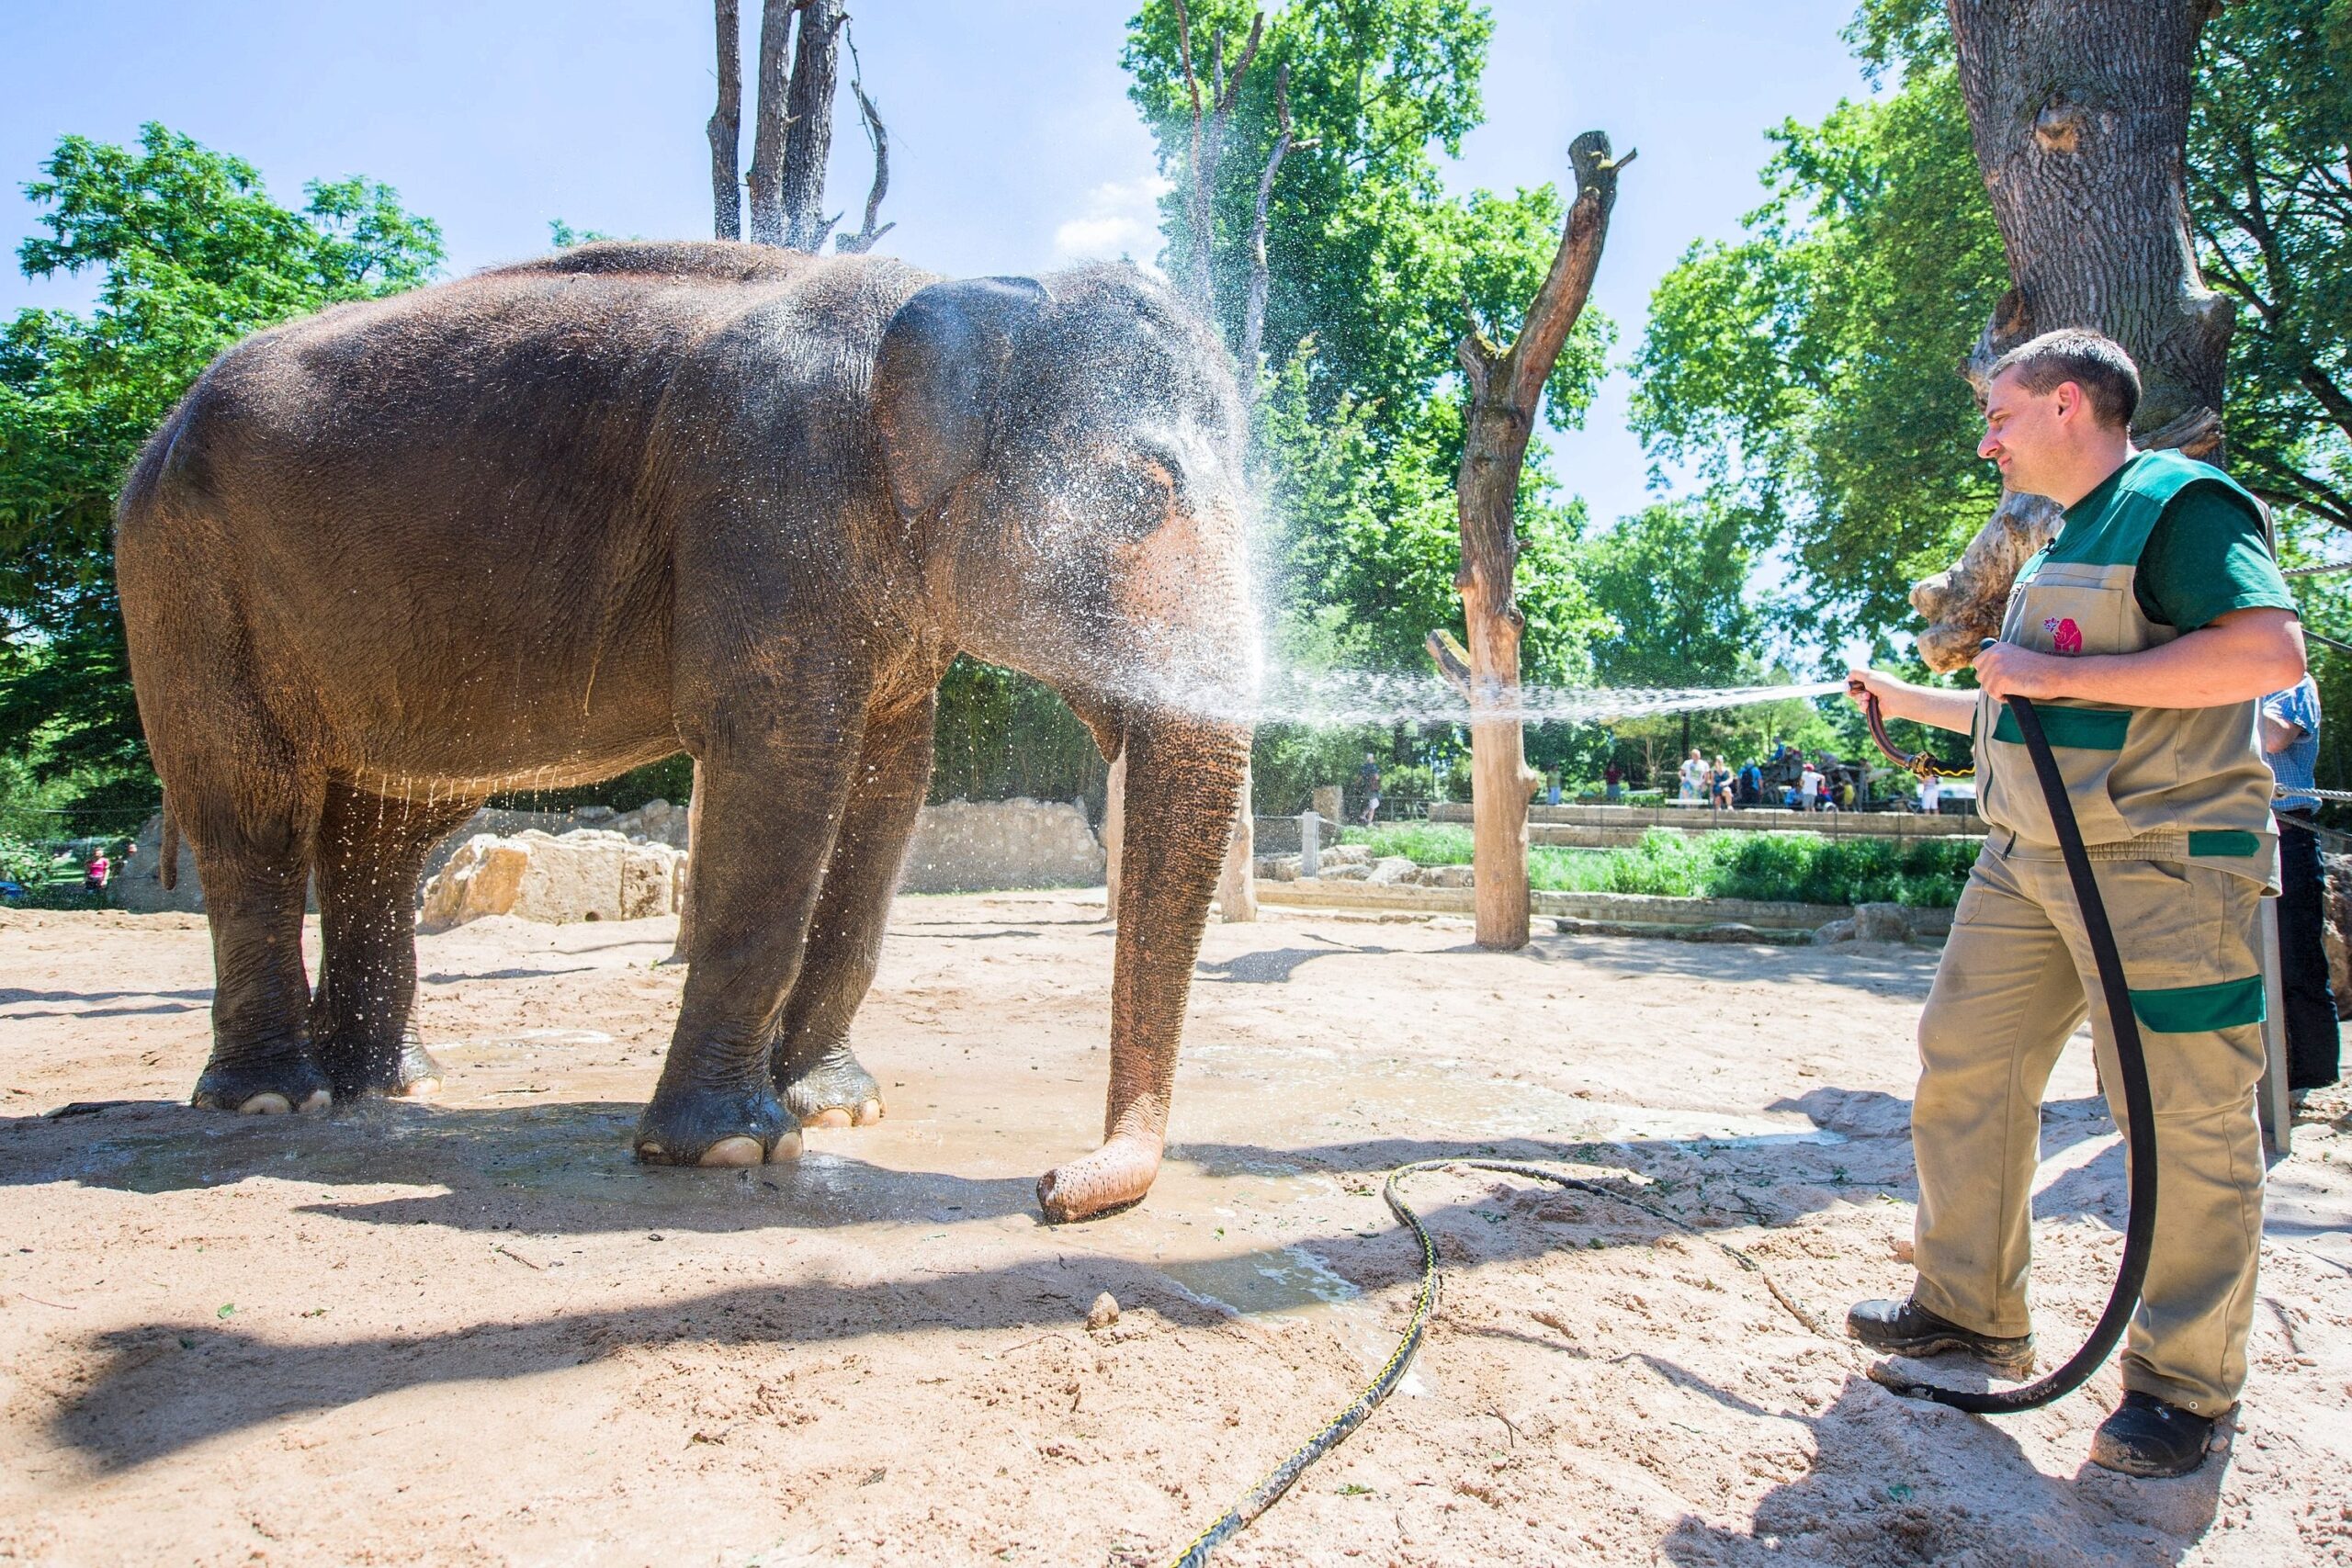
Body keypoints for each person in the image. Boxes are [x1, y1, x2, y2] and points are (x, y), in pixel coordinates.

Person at [1847, 329, 2305, 1478]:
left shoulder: (2181, 506)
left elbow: (2265, 655)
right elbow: (2034, 712)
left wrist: (2060, 676)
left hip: (2157, 866)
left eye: (1999, 417)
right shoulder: (2062, 542)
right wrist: (1910, 698)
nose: (1986, 439)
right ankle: (1969, 1309)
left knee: (2184, 1115)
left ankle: (2181, 1388)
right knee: (1967, 1059)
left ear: (2066, 404)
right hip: (2027, 862)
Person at [2261, 674, 2339, 1100]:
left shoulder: (2292, 680)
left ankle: (2314, 1076)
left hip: (2290, 831)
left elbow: (2273, 736)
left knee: (2298, 957)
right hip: (2237, 832)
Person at [1354, 752, 1382, 828]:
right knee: (1374, 803)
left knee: (1371, 803)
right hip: (1372, 788)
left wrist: (1356, 786)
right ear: (1371, 759)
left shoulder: (1363, 767)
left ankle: (1366, 819)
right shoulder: (1373, 767)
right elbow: (1377, 777)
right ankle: (1365, 818)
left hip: (1365, 788)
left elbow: (1358, 780)